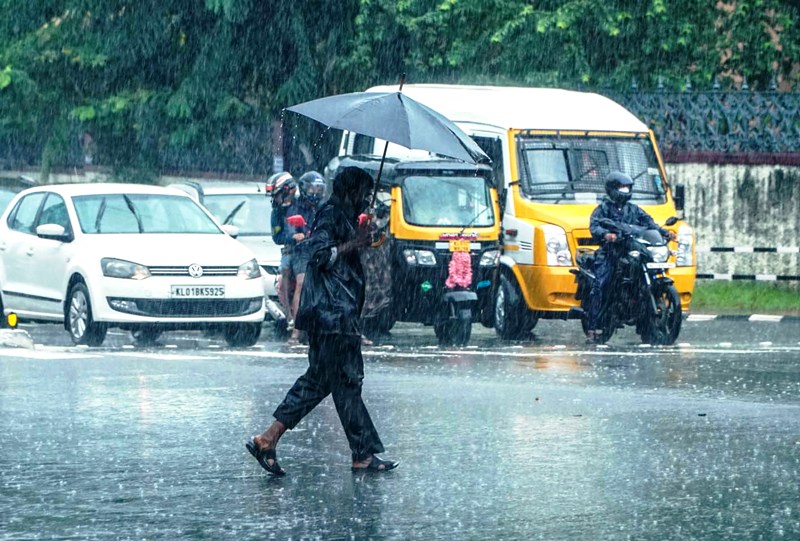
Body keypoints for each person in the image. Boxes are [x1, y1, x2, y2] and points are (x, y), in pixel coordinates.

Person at [247, 166, 398, 475]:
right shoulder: (330, 213)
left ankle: (360, 453)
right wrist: (355, 242)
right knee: (330, 381)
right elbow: (319, 255)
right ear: (351, 191)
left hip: (338, 315)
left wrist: (368, 238)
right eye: (364, 194)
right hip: (332, 316)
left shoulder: (344, 214)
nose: (366, 200)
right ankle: (269, 438)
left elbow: (348, 249)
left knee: (341, 382)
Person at [586, 171, 677, 343]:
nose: (625, 191)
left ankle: (646, 321)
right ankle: (593, 326)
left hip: (632, 250)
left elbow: (649, 223)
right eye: (622, 187)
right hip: (611, 253)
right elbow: (595, 227)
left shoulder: (633, 209)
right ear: (612, 189)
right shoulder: (602, 209)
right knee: (601, 285)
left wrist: (664, 232)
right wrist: (607, 235)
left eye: (628, 187)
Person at [288, 171, 327, 343]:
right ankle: (296, 330)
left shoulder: (325, 207)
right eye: (312, 189)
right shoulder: (296, 207)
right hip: (302, 252)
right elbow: (290, 229)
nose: (315, 193)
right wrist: (298, 235)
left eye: (319, 189)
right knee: (302, 283)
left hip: (321, 250)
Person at [269, 173, 301, 330]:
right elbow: (277, 237)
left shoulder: (303, 205)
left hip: (308, 250)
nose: (276, 199)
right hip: (290, 252)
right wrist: (292, 237)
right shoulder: (276, 213)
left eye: (278, 195)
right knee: (285, 272)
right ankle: (290, 317)